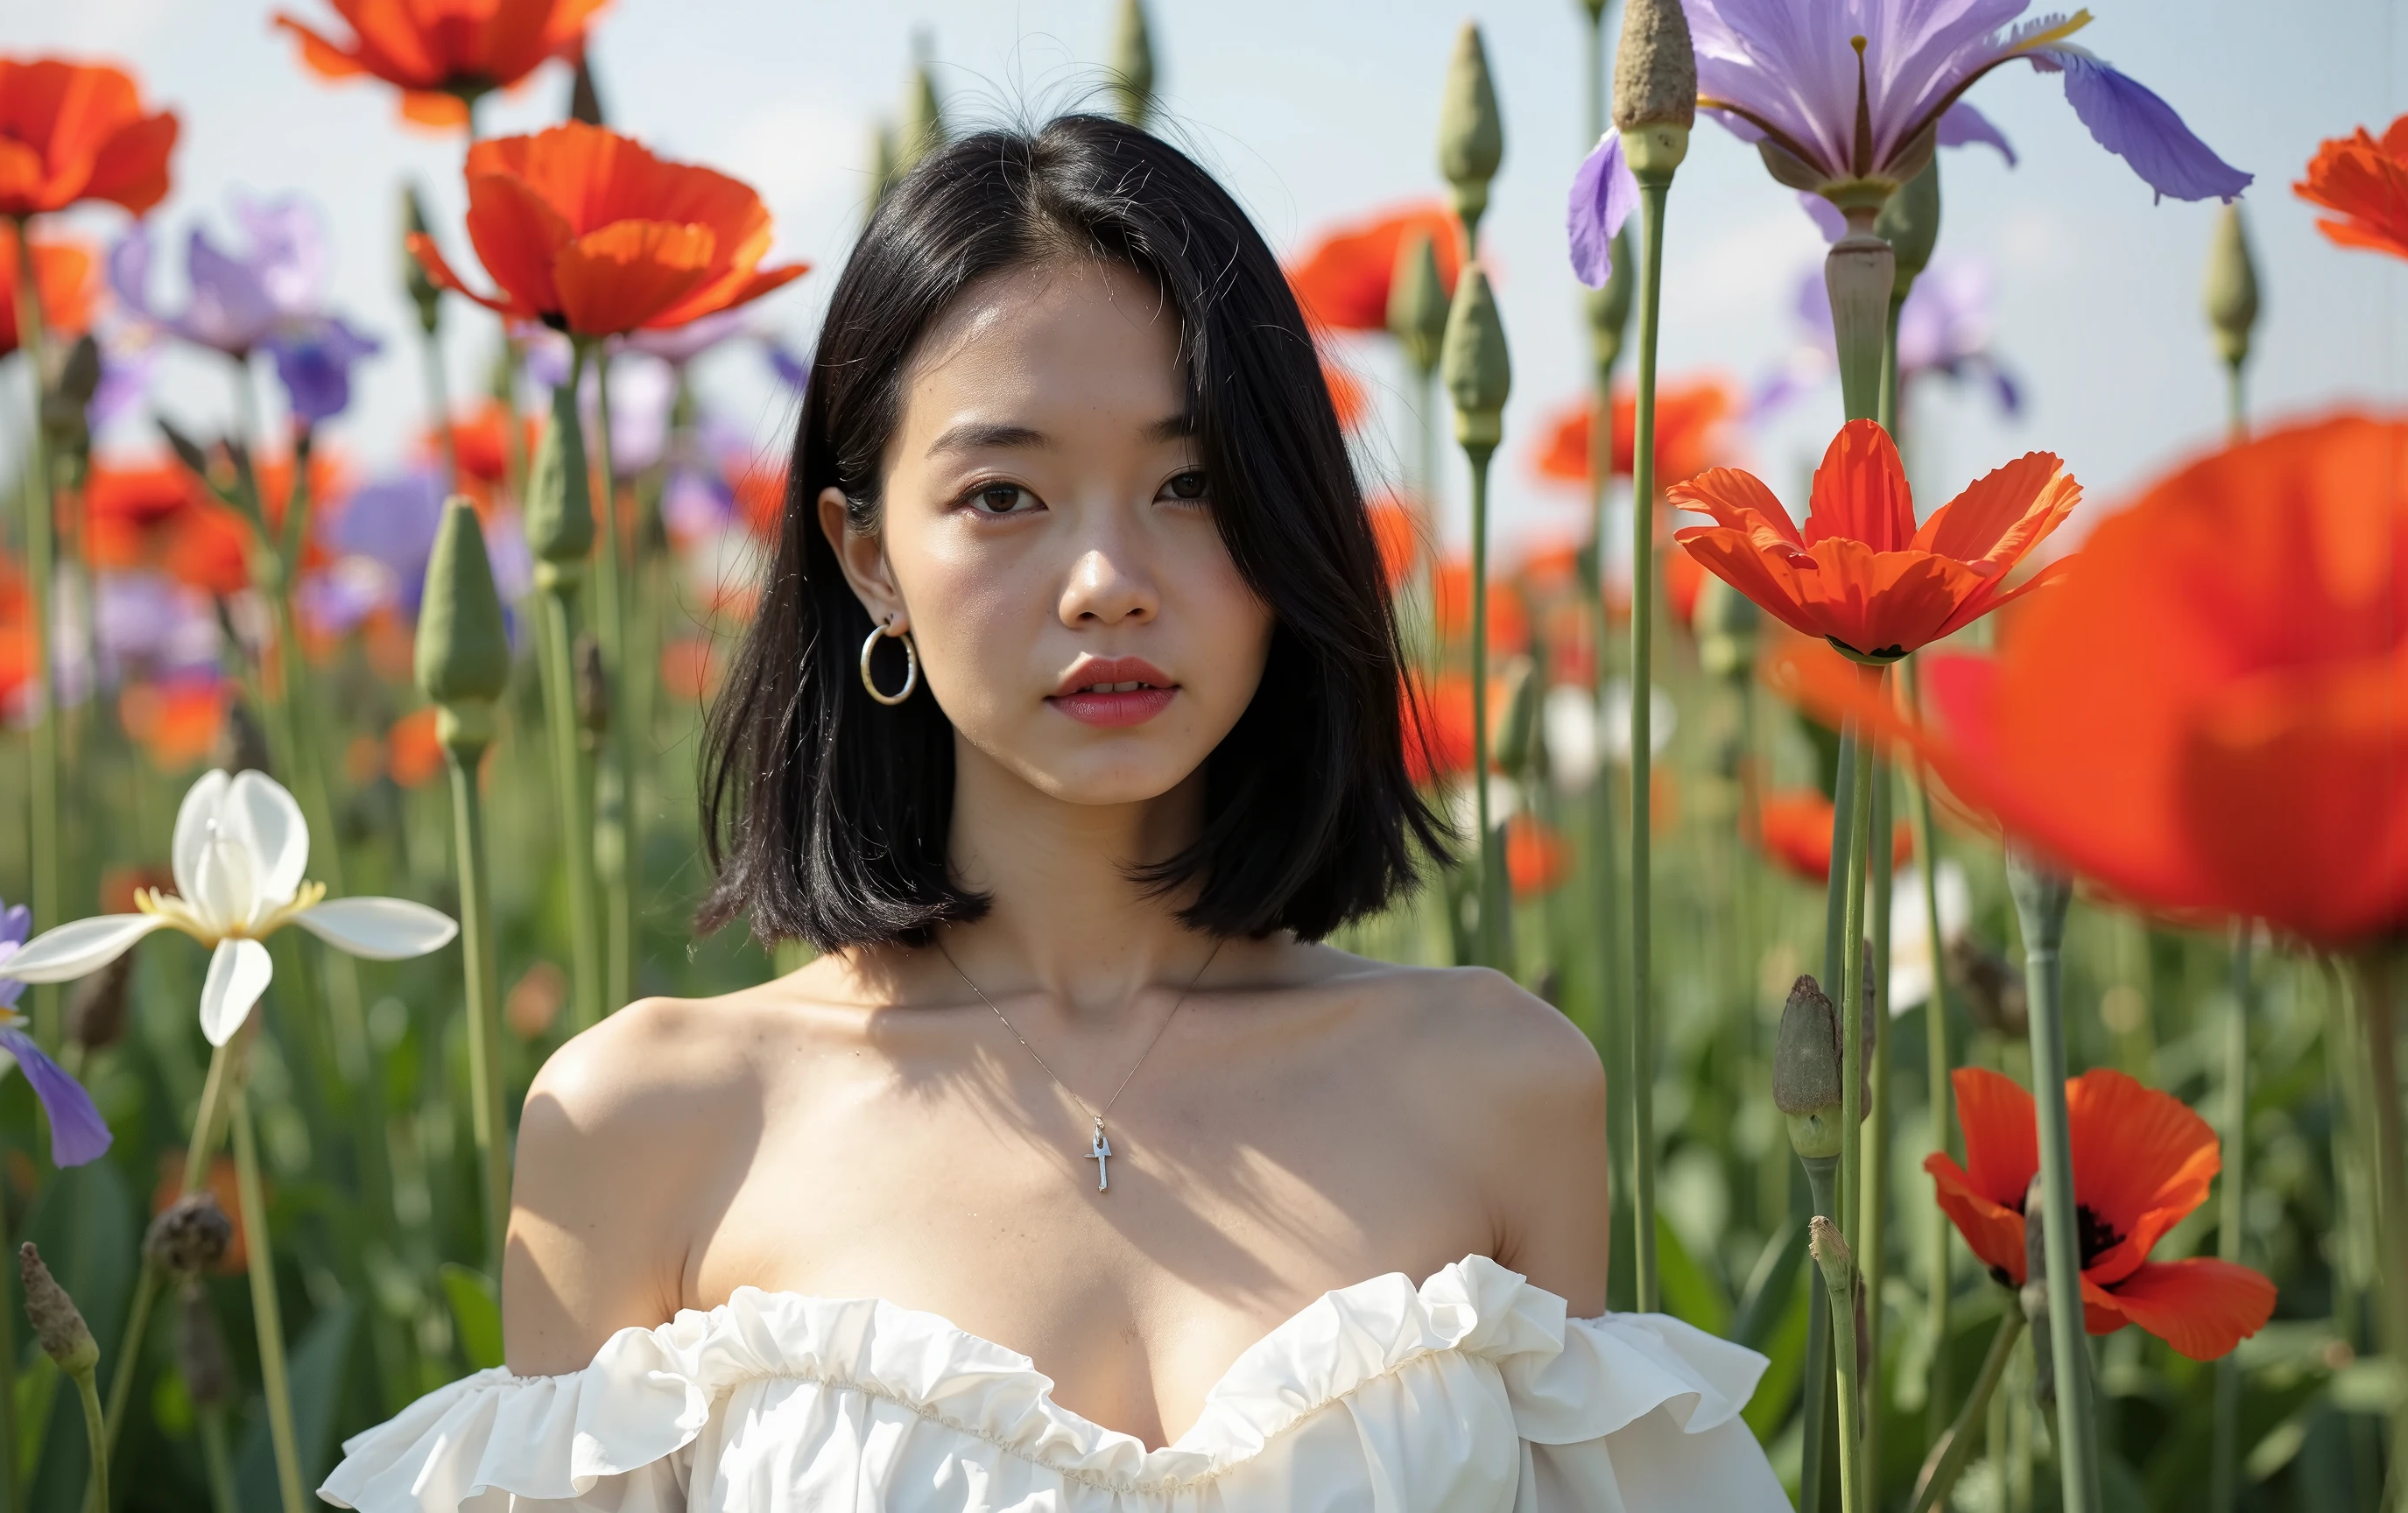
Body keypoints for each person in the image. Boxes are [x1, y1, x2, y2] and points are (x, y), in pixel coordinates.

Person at [321, 114, 1787, 1512]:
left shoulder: (1500, 1087)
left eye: (1194, 482)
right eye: (1005, 495)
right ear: (866, 556)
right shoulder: (650, 1121)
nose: (1108, 579)